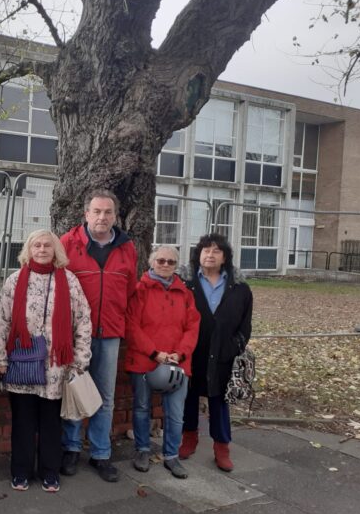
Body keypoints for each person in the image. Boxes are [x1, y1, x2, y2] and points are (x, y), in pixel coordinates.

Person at [0, 229, 92, 492]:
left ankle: (50, 471)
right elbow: (1, 321)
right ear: (29, 249)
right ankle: (21, 472)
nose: (42, 249)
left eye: (48, 245)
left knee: (50, 421)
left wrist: (80, 359)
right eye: (37, 245)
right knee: (23, 421)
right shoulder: (15, 281)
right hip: (22, 361)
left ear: (56, 250)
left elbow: (83, 320)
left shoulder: (69, 281)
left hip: (56, 365)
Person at [59, 190, 137, 482]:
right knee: (74, 390)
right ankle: (70, 448)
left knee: (105, 396)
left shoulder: (127, 248)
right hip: (77, 334)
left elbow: (129, 291)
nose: (102, 217)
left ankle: (101, 454)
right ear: (86, 214)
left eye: (108, 212)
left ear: (115, 216)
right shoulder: (68, 243)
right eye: (96, 211)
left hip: (111, 333)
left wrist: (120, 321)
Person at [124, 245, 200, 479]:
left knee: (175, 413)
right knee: (142, 407)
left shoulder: (185, 294)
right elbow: (131, 325)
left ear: (177, 266)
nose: (165, 265)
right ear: (152, 262)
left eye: (171, 262)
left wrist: (181, 354)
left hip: (178, 363)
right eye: (161, 261)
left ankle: (171, 456)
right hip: (145, 361)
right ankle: (142, 450)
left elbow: (193, 326)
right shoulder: (140, 290)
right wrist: (154, 352)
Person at [181, 233, 253, 472]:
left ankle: (222, 447)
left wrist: (234, 347)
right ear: (198, 255)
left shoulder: (240, 288)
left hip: (223, 354)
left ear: (225, 257)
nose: (209, 255)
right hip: (193, 351)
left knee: (219, 400)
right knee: (189, 397)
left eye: (216, 251)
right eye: (205, 250)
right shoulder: (185, 283)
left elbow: (245, 325)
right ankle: (189, 438)